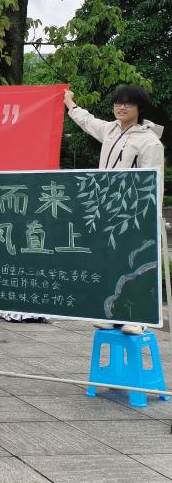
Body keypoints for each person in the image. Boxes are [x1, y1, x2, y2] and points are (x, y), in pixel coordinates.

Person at [65, 85, 165, 334]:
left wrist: (149, 217)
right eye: (118, 102)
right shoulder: (110, 130)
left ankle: (139, 319)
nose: (121, 107)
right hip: (107, 210)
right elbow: (87, 121)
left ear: (140, 108)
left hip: (134, 214)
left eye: (128, 103)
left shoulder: (149, 142)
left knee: (138, 264)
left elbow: (155, 182)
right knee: (113, 263)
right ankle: (114, 313)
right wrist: (69, 103)